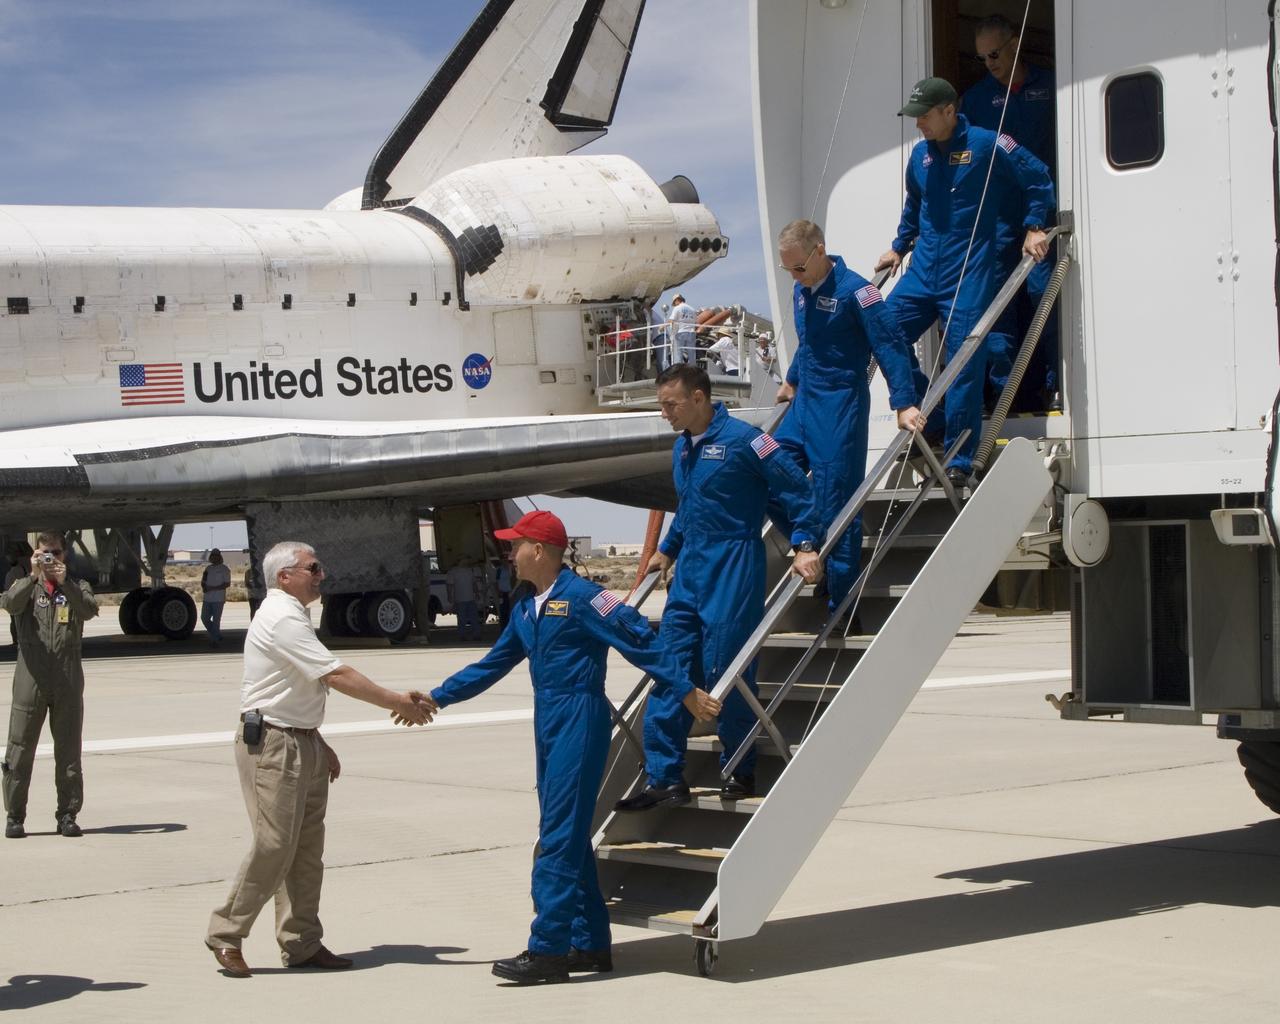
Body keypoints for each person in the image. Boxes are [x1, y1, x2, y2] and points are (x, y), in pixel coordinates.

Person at [412, 510, 704, 985]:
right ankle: (589, 943)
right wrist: (438, 697)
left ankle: (547, 949)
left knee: (557, 838)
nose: (510, 552)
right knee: (565, 832)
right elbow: (494, 663)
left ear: (540, 551)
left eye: (516, 544)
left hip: (579, 717)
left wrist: (685, 688)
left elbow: (640, 641)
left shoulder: (587, 598)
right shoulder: (527, 605)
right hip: (547, 721)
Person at [205, 541, 432, 978]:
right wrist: (396, 701)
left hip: (300, 740)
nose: (322, 575)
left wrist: (318, 742)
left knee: (307, 852)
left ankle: (302, 943)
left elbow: (297, 690)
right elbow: (336, 674)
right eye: (313, 568)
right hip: (271, 743)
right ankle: (226, 933)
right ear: (285, 576)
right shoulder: (280, 616)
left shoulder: (296, 615)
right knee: (273, 845)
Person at [615, 363, 821, 809]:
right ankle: (665, 777)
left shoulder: (748, 441)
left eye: (670, 404)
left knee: (726, 667)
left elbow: (797, 490)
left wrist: (804, 543)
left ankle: (739, 768)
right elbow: (687, 507)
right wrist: (667, 548)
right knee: (669, 666)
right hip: (690, 569)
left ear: (699, 398)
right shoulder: (681, 449)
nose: (664, 412)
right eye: (661, 405)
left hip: (733, 563)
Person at [876, 77, 1054, 487]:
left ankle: (958, 460)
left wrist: (1033, 227)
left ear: (949, 111)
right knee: (883, 328)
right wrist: (899, 246)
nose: (917, 124)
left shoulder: (988, 144)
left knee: (964, 360)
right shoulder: (919, 157)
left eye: (923, 116)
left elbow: (1037, 176)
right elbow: (914, 205)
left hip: (968, 271)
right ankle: (932, 413)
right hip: (924, 271)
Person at [774, 220, 926, 616]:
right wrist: (790, 381)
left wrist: (903, 403)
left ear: (819, 251)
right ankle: (807, 545)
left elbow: (890, 344)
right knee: (767, 472)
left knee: (837, 503)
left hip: (839, 406)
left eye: (798, 268)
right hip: (804, 401)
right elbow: (808, 343)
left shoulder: (860, 293)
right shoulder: (801, 290)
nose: (793, 276)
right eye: (787, 269)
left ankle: (841, 604)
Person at [959, 13, 1060, 411]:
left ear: (1015, 43)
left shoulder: (1051, 86)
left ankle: (1050, 385)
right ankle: (1006, 395)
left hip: (1041, 207)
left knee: (1041, 298)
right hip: (999, 216)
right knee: (1000, 306)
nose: (990, 63)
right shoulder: (978, 100)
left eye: (995, 53)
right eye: (982, 57)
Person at [1, 531, 98, 839]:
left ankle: (67, 815)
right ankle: (15, 816)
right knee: (19, 751)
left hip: (67, 680)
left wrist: (65, 582)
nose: (50, 559)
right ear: (35, 554)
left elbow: (89, 609)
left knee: (69, 753)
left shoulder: (77, 586)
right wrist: (32, 576)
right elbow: (9, 603)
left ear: (64, 554)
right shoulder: (25, 586)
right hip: (31, 679)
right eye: (45, 553)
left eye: (55, 553)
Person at [446, 556, 482, 640]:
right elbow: (449, 585)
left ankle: (476, 635)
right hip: (460, 599)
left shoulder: (469, 571)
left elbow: (474, 583)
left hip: (471, 599)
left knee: (474, 618)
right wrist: (449, 595)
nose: (467, 560)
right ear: (460, 560)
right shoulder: (453, 572)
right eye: (465, 559)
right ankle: (462, 635)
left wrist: (476, 593)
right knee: (462, 619)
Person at [201, 548, 231, 646]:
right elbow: (203, 580)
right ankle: (216, 634)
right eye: (212, 556)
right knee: (204, 618)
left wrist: (214, 588)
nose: (214, 557)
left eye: (216, 556)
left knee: (216, 620)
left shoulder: (224, 569)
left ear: (219, 557)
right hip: (207, 598)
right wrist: (204, 587)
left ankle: (215, 640)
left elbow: (227, 584)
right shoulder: (208, 569)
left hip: (218, 599)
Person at [669, 293, 698, 365]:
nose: (675, 304)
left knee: (678, 353)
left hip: (681, 332)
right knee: (692, 354)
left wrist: (662, 327)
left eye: (674, 303)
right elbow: (695, 322)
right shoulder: (692, 309)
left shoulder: (677, 308)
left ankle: (678, 370)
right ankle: (693, 369)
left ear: (676, 300)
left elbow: (671, 320)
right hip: (691, 332)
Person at [494, 558, 513, 626]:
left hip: (510, 592)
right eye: (504, 560)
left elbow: (511, 579)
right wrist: (498, 591)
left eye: (506, 560)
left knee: (509, 610)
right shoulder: (499, 570)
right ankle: (503, 626)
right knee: (503, 611)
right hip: (502, 592)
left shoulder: (510, 569)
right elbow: (496, 582)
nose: (505, 561)